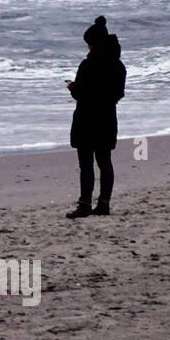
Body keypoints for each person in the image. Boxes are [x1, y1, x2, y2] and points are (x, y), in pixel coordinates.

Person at [65, 16, 126, 218]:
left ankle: (84, 204)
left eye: (89, 44)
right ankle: (104, 204)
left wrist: (73, 87)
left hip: (86, 119)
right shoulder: (118, 66)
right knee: (105, 162)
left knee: (86, 164)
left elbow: (81, 93)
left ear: (93, 43)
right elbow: (118, 94)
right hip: (107, 118)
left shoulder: (87, 65)